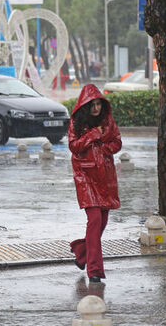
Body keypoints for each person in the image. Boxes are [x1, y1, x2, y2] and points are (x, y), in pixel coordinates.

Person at [68, 83, 122, 283]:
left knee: (102, 222)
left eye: (99, 104)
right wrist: (93, 135)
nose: (96, 108)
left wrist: (104, 150)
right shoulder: (76, 123)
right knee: (95, 221)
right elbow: (74, 147)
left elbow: (117, 142)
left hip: (105, 177)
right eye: (92, 104)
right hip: (85, 177)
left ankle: (82, 253)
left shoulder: (107, 121)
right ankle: (95, 270)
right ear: (85, 105)